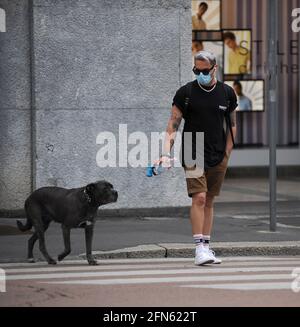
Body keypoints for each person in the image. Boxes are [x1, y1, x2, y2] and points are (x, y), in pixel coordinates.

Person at [158, 51, 238, 265]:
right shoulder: (186, 92)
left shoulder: (227, 93)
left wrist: (228, 152)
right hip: (193, 152)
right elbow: (173, 123)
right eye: (196, 70)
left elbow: (232, 125)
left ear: (214, 69)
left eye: (204, 70)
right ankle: (199, 250)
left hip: (218, 153)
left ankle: (206, 247)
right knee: (199, 197)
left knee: (209, 200)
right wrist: (165, 153)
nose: (200, 74)